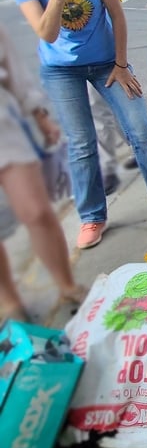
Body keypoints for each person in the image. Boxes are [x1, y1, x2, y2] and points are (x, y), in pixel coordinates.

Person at [5, 0, 147, 250]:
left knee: (141, 131)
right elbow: (46, 33)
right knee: (80, 145)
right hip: (60, 70)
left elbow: (117, 13)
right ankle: (93, 216)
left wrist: (122, 64)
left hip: (108, 62)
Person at [0, 26, 86, 322]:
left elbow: (15, 75)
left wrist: (40, 117)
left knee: (37, 212)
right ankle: (9, 302)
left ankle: (67, 285)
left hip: (4, 128)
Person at [57, 0, 131, 196]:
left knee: (100, 113)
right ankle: (134, 151)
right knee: (118, 107)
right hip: (112, 50)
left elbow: (112, 10)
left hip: (100, 53)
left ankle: (109, 171)